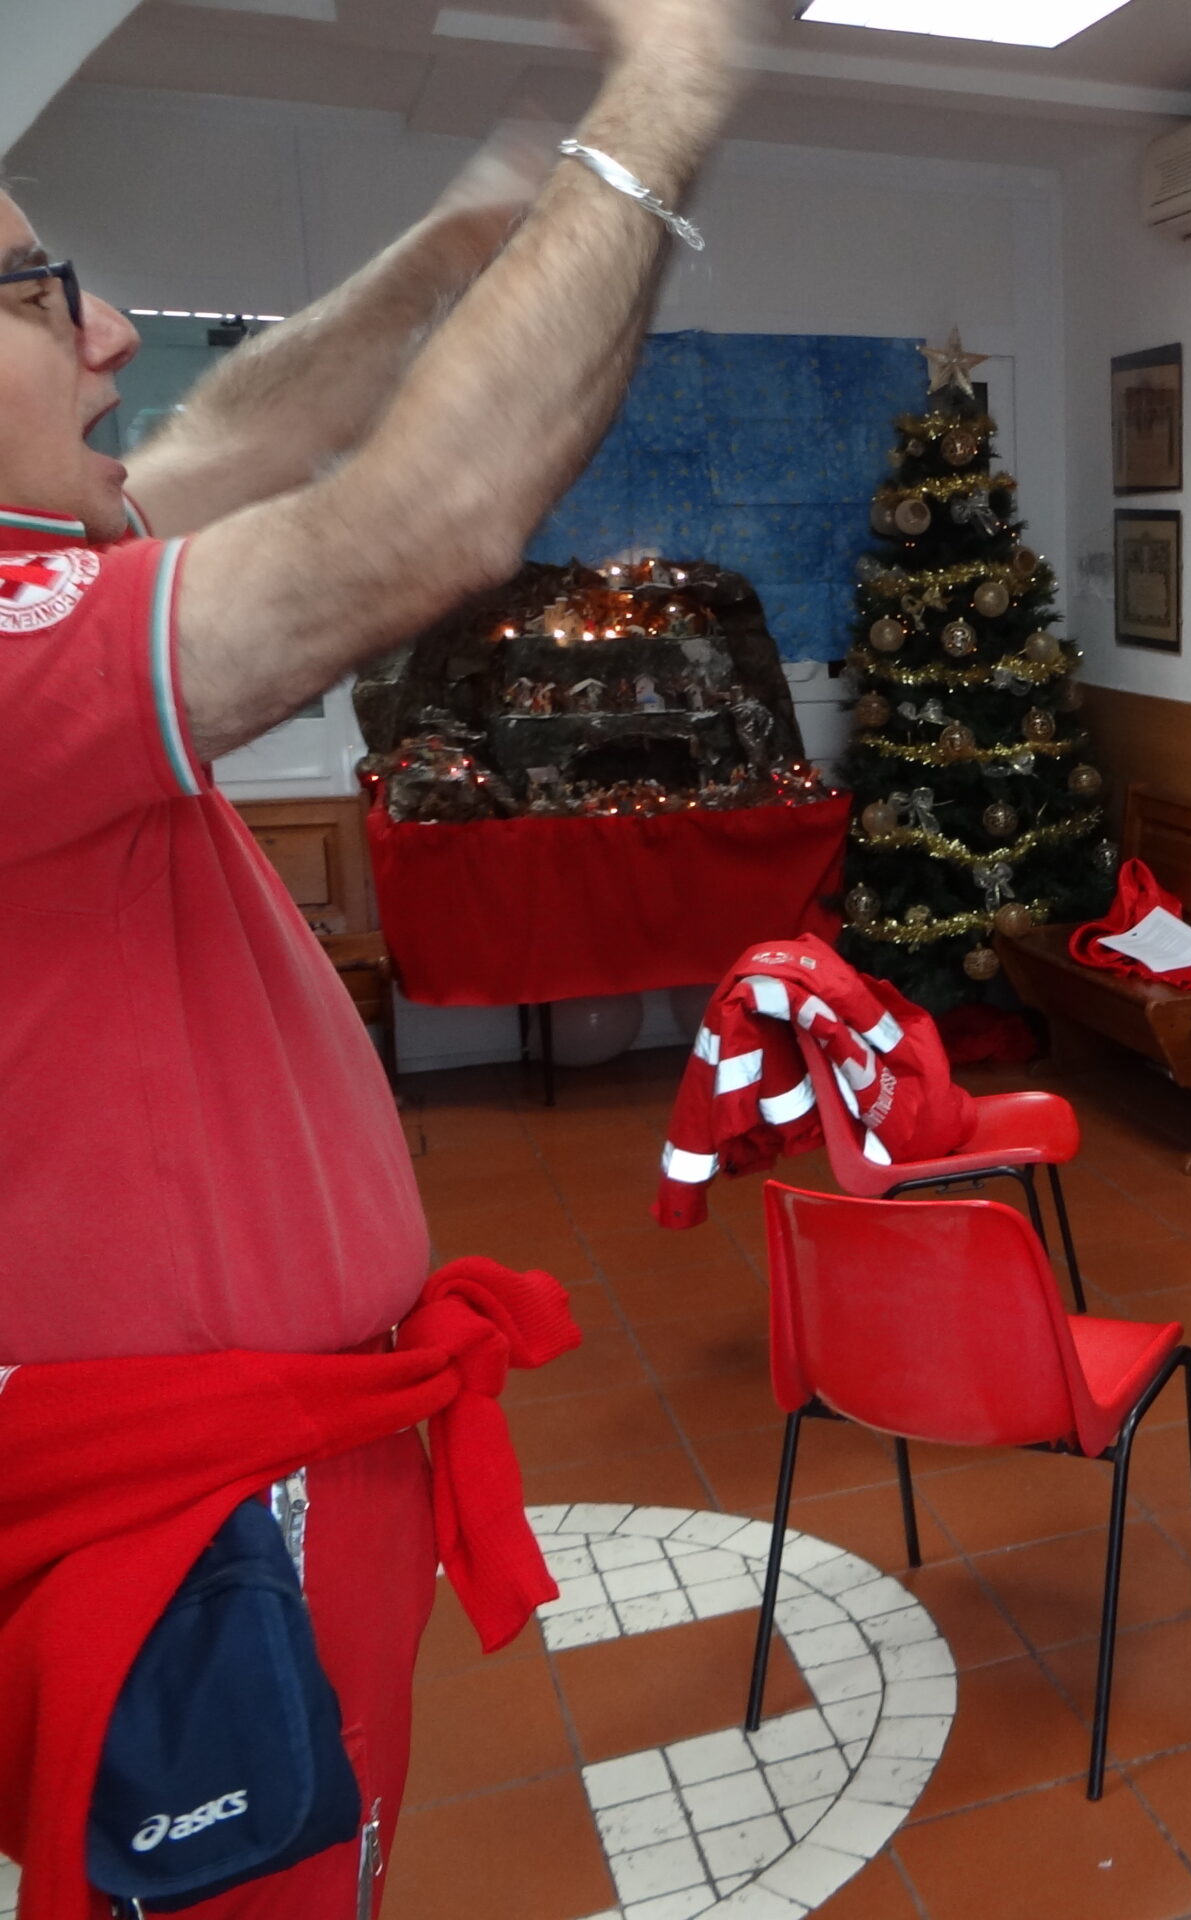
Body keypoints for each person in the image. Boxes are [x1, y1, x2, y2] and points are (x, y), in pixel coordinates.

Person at [0, 1, 745, 1908]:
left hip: (252, 1484)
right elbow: (425, 516)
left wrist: (451, 243)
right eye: (34, 295)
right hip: (190, 1524)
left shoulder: (48, 573)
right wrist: (670, 84)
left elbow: (232, 438)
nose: (103, 339)